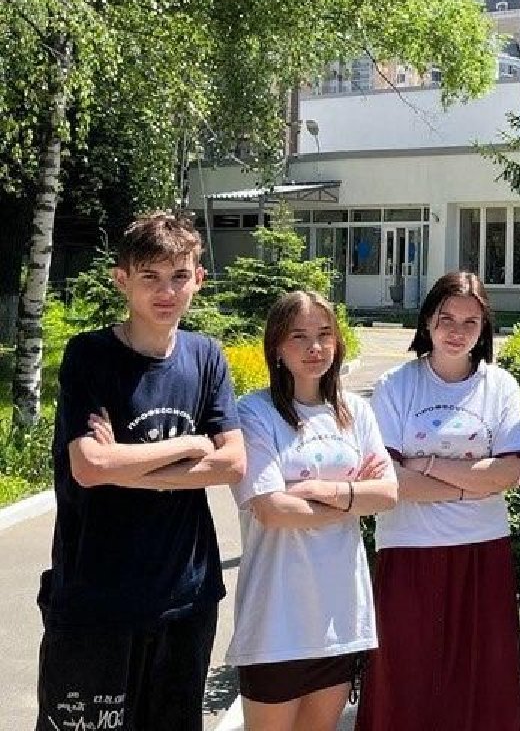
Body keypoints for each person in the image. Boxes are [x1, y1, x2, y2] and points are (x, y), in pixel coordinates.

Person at [36, 212, 246, 731]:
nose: (166, 292)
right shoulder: (90, 355)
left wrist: (126, 469)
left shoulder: (206, 357)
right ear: (122, 279)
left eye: (179, 276)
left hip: (187, 600)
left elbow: (232, 462)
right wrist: (189, 445)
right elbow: (89, 464)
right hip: (95, 600)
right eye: (150, 276)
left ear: (199, 278)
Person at [356, 272, 520, 731]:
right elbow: (391, 481)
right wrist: (470, 486)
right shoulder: (396, 384)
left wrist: (428, 462)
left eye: (470, 322)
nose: (457, 331)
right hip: (409, 548)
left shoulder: (500, 386)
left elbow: (509, 473)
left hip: (482, 549)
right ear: (427, 321)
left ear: (484, 328)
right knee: (408, 681)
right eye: (446, 319)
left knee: (482, 684)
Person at [228, 291, 398, 730]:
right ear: (276, 347)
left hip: (339, 616)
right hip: (276, 619)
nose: (315, 347)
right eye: (299, 336)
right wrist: (353, 498)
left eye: (324, 334)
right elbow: (271, 509)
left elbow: (387, 494)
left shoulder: (355, 412)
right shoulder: (255, 413)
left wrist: (320, 490)